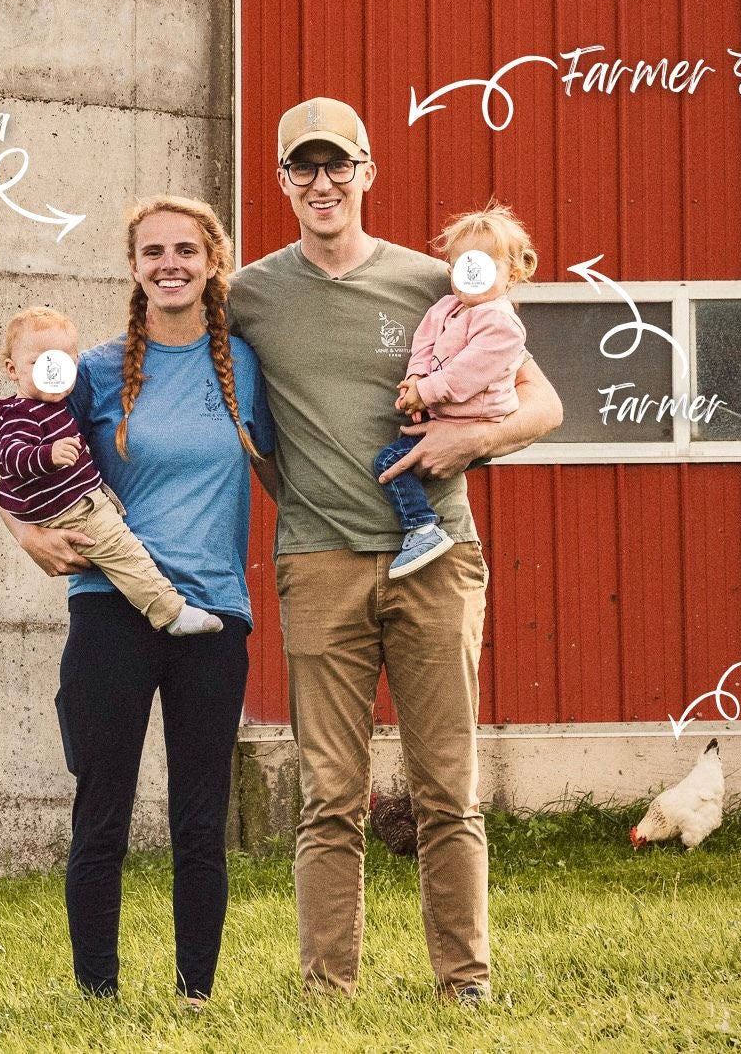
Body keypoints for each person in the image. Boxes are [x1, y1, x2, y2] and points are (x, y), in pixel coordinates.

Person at [227, 97, 562, 1005]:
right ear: (285, 181)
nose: (324, 182)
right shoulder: (251, 293)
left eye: (341, 165)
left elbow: (542, 403)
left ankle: (466, 983)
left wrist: (468, 444)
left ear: (370, 172)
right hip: (319, 559)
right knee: (329, 794)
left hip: (439, 556)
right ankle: (326, 988)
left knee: (447, 786)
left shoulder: (434, 282)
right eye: (305, 167)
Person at [1, 196, 274, 1005]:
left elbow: (293, 455)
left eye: (186, 249)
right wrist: (26, 535)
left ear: (212, 260)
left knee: (200, 822)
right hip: (110, 611)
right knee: (103, 814)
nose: (170, 263)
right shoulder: (95, 369)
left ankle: (196, 995)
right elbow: (19, 455)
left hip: (214, 616)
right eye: (152, 250)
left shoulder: (246, 366)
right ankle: (97, 994)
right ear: (132, 266)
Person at [0, 305, 226, 636]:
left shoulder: (51, 404)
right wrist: (48, 455)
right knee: (124, 552)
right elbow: (10, 459)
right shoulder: (21, 413)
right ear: (12, 369)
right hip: (71, 509)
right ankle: (170, 612)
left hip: (83, 499)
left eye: (64, 362)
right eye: (39, 363)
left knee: (122, 550)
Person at [375, 203, 537, 579]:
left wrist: (429, 391)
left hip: (476, 415)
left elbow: (470, 371)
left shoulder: (501, 322)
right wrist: (415, 380)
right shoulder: (447, 308)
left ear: (511, 274)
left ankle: (422, 529)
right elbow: (424, 344)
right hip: (444, 409)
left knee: (388, 464)